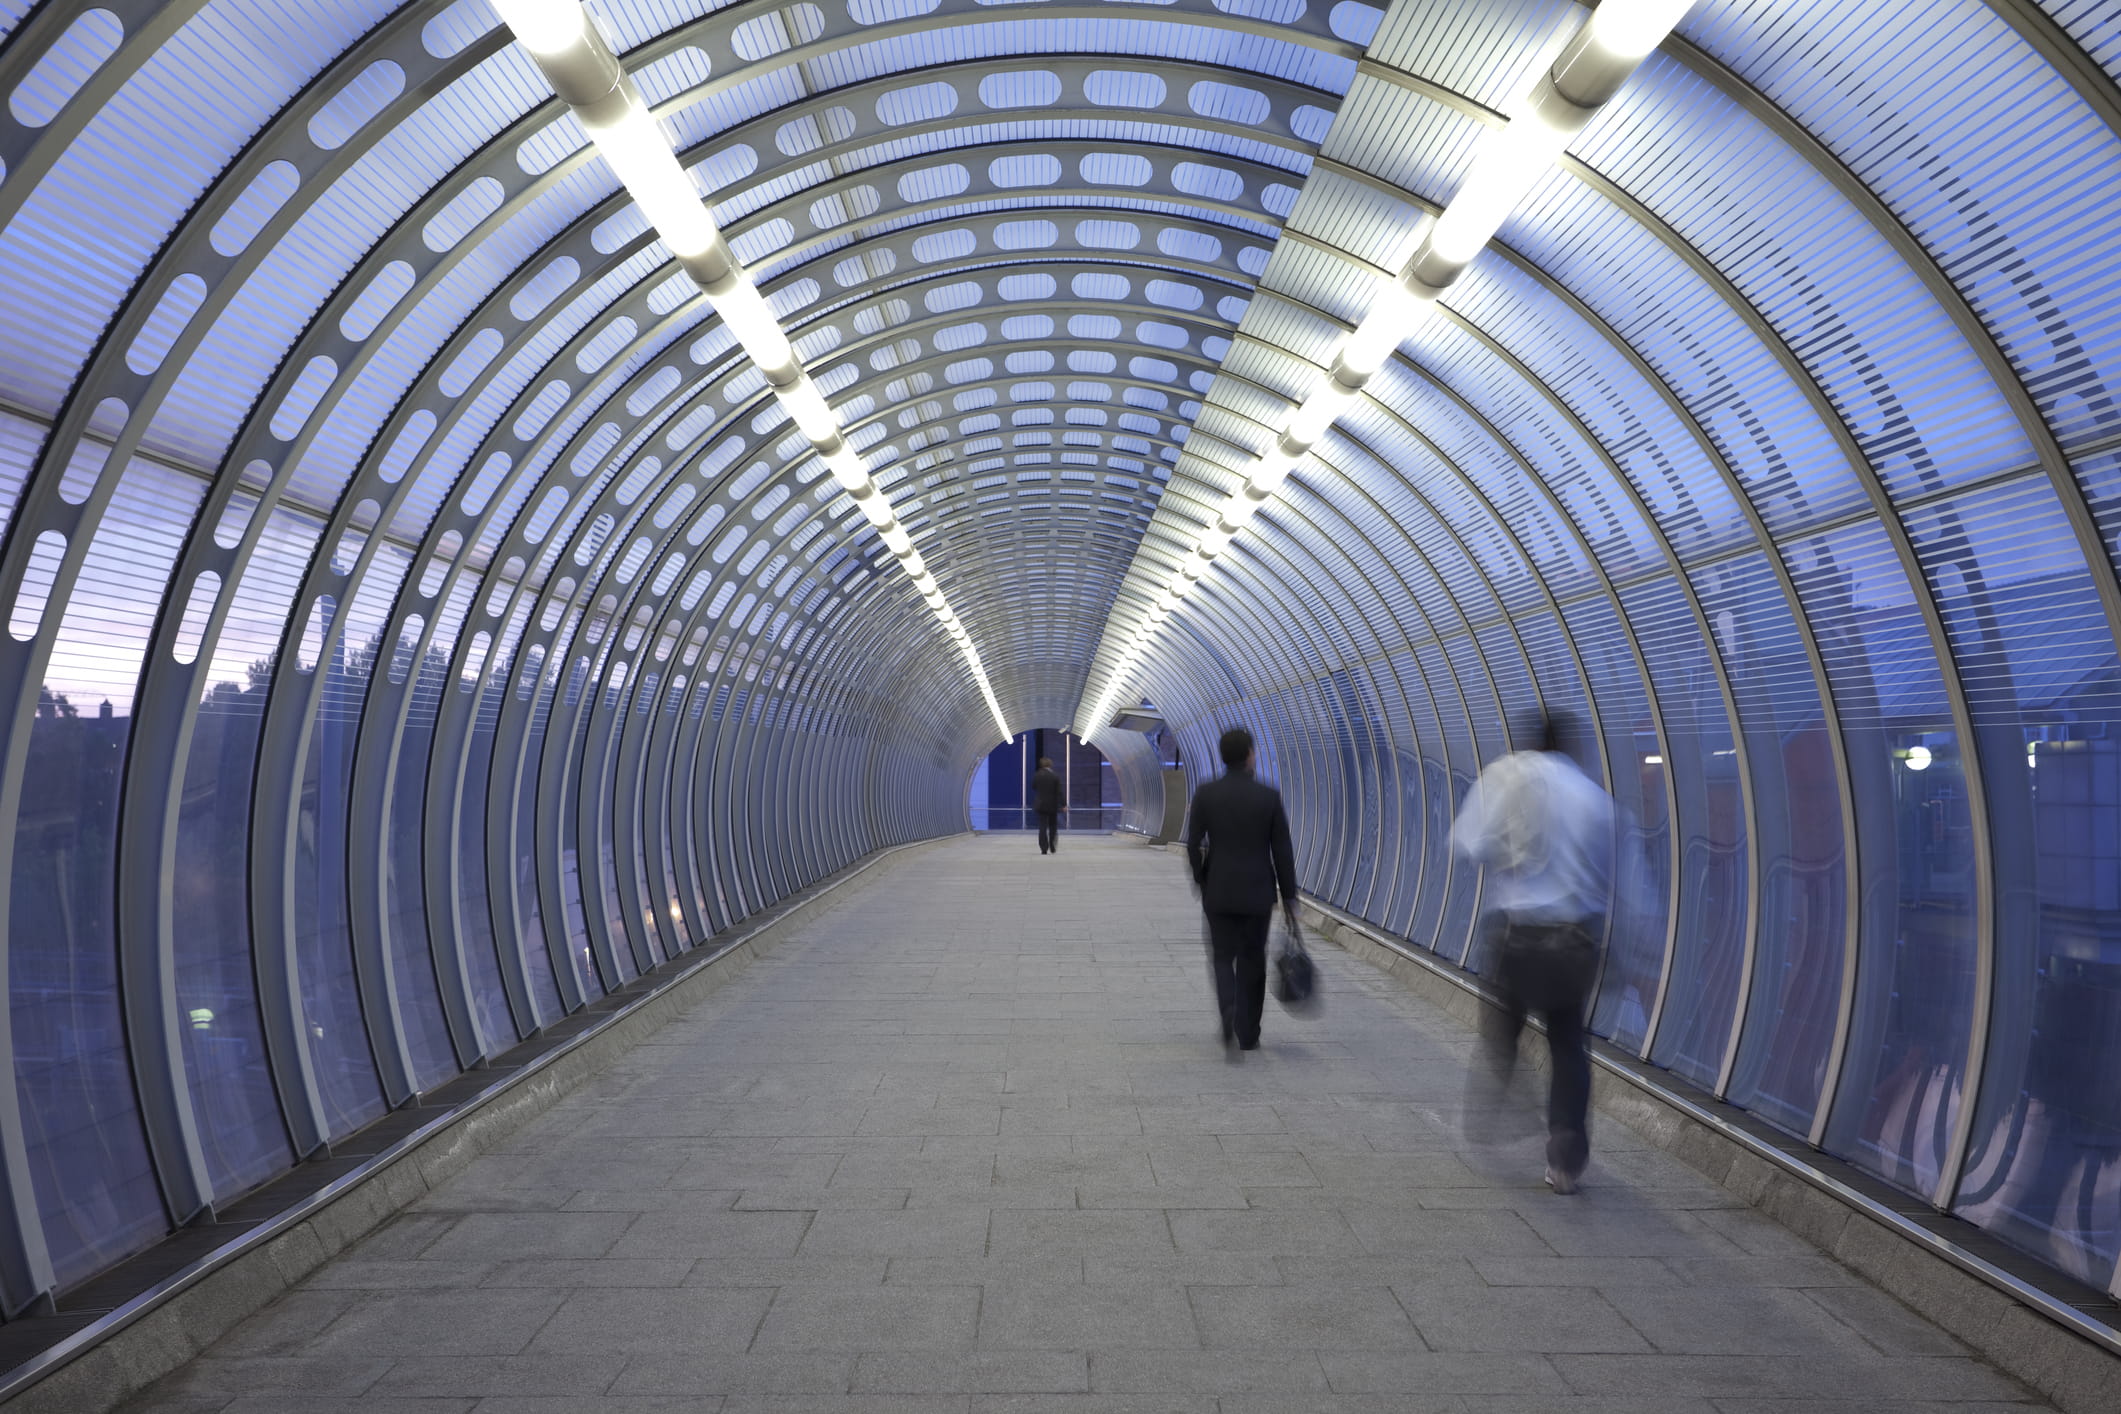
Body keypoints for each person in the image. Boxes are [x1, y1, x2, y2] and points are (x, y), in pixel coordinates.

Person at [1451, 712, 1614, 1194]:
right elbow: (1615, 879)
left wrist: (1509, 849)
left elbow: (1467, 841)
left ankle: (1503, 1102)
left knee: (1502, 1033)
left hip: (1516, 934)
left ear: (1528, 743)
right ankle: (1565, 1153)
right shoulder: (1593, 798)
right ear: (1570, 747)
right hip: (1574, 938)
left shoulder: (1506, 775)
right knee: (1567, 1044)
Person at [1185, 726, 1298, 1054]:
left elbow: (1193, 844)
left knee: (1222, 958)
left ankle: (1227, 1010)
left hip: (1218, 891)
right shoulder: (1268, 796)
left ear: (1222, 756)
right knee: (1253, 959)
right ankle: (1248, 1031)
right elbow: (1282, 851)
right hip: (1257, 893)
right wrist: (1290, 896)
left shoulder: (1206, 794)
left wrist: (1200, 879)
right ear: (1249, 754)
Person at [1031, 755, 1063, 855]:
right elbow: (1059, 792)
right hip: (1052, 805)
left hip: (1040, 805)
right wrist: (1064, 804)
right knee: (1053, 826)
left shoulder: (1037, 775)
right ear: (1050, 765)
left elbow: (1034, 787)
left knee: (1042, 827)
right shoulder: (1055, 776)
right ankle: (1052, 846)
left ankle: (1043, 848)